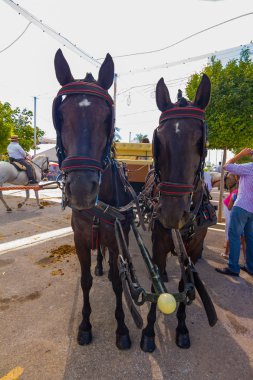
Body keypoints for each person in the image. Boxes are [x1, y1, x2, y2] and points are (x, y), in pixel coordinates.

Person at [215, 148, 253, 276]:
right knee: (250, 238)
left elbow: (227, 166)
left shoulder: (250, 167)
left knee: (234, 236)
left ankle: (233, 267)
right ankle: (250, 267)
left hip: (242, 206)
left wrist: (241, 154)